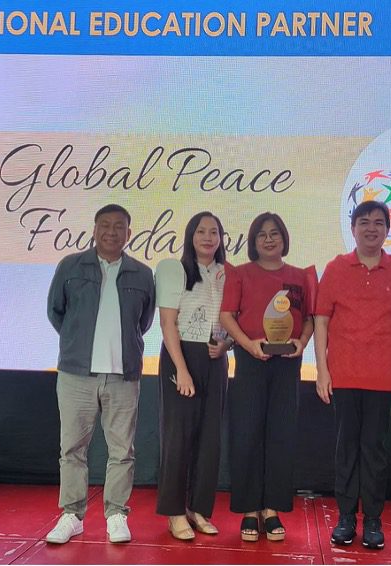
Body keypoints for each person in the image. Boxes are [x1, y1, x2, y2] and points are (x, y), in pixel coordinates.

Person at [44, 203, 155, 545]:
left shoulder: (142, 274)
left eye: (119, 226)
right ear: (94, 230)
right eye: (105, 225)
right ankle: (72, 515)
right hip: (77, 373)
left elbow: (144, 322)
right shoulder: (71, 266)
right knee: (72, 448)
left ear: (129, 233)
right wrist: (79, 343)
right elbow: (56, 312)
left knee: (122, 450)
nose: (111, 231)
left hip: (123, 376)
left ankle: (116, 514)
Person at [314, 200, 391, 550]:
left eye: (378, 222)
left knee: (374, 450)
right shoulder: (336, 268)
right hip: (343, 376)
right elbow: (321, 321)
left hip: (382, 378)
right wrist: (322, 370)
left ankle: (373, 520)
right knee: (346, 449)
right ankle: (346, 518)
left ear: (388, 229)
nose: (371, 228)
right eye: (364, 222)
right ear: (353, 228)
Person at [219, 212, 314, 543]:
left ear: (284, 238)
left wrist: (302, 342)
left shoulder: (300, 276)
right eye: (262, 234)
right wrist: (248, 345)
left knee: (281, 434)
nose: (269, 239)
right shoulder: (240, 274)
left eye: (275, 233)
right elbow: (227, 316)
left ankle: (272, 509)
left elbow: (309, 318)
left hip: (287, 363)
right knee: (246, 433)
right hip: (250, 360)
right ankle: (250, 508)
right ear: (253, 241)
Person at [154, 212, 233, 540]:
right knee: (178, 437)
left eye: (214, 232)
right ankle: (174, 512)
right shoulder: (174, 269)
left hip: (215, 358)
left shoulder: (228, 273)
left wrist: (226, 345)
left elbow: (235, 321)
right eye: (201, 231)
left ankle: (198, 509)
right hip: (181, 355)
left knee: (210, 438)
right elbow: (167, 323)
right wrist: (182, 370)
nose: (208, 237)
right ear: (190, 236)